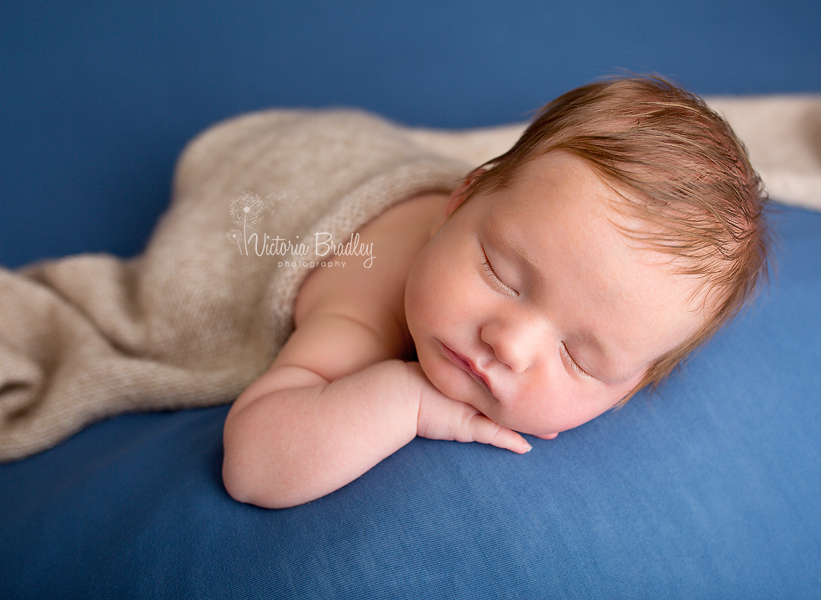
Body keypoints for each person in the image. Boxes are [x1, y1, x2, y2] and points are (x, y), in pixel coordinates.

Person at [221, 76, 769, 508]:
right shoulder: (363, 310)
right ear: (457, 205)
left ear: (628, 388)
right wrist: (407, 397)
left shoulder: (530, 241)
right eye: (502, 275)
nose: (509, 344)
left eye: (579, 359)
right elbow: (253, 467)